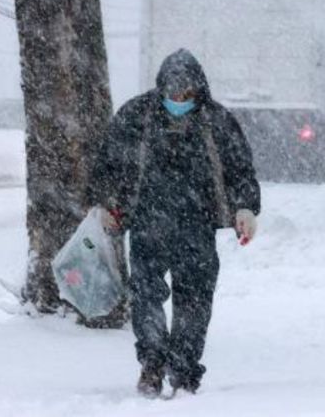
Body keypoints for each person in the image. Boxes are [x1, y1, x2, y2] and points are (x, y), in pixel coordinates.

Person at [85, 48, 261, 398]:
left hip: (197, 227)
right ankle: (152, 364)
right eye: (172, 93)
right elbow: (107, 163)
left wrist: (246, 208)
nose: (178, 100)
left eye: (186, 94)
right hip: (148, 224)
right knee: (146, 296)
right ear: (161, 88)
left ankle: (183, 370)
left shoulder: (217, 121)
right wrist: (107, 201)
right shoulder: (137, 114)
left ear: (199, 90)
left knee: (194, 300)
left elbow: (240, 169)